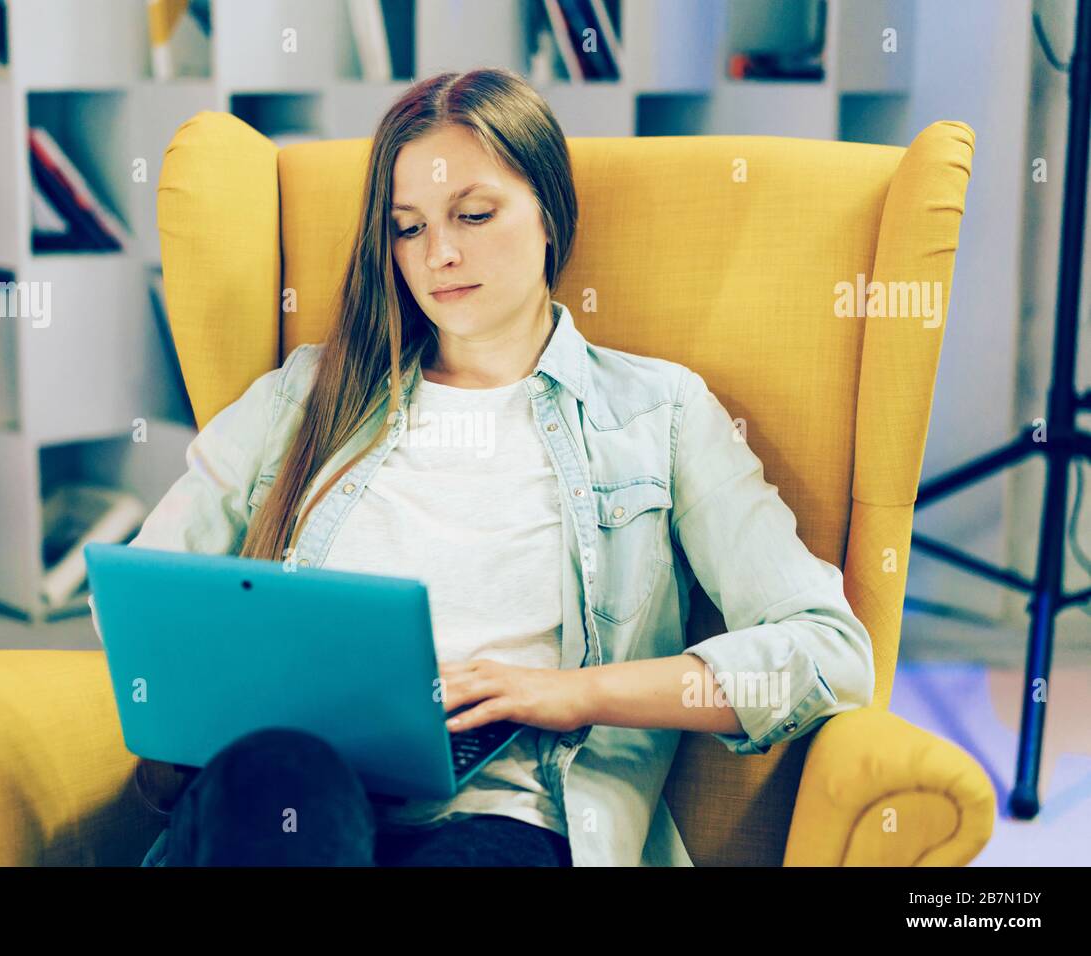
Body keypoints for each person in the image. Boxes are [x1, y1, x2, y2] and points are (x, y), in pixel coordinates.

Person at [112, 67, 876, 867]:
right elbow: (142, 600)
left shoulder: (662, 413)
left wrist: (567, 693)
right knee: (280, 775)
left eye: (473, 214)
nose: (439, 253)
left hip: (513, 807)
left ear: (550, 212)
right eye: (407, 228)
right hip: (299, 792)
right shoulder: (309, 392)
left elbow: (828, 651)